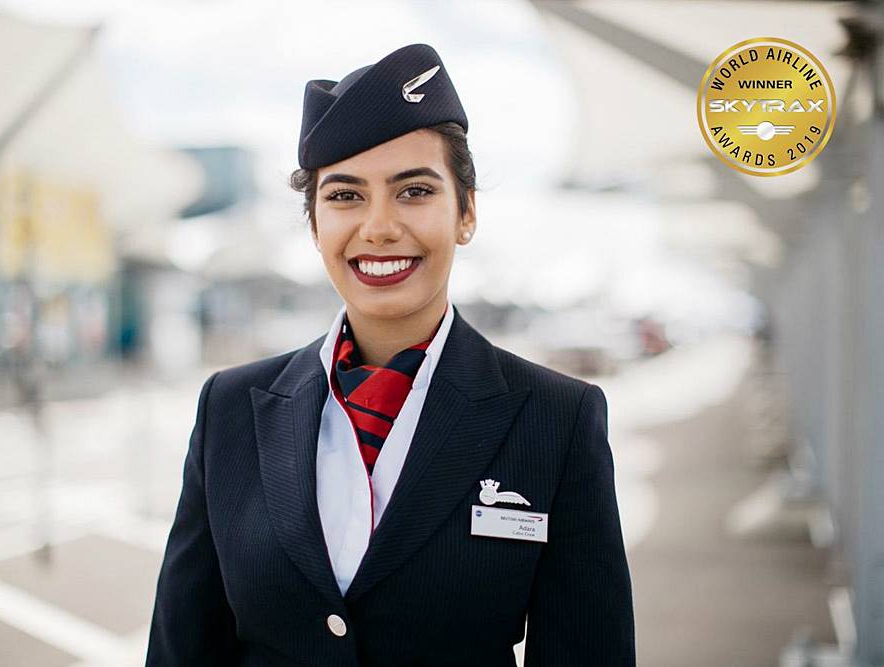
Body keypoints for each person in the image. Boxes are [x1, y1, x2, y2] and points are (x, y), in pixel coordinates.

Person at [146, 43, 635, 666]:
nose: (378, 227)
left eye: (413, 192)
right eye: (345, 196)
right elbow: (180, 650)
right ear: (314, 223)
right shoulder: (231, 410)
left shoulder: (556, 420)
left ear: (466, 213)